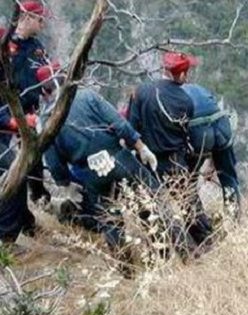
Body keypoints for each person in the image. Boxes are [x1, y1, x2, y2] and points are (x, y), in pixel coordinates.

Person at [37, 64, 195, 260]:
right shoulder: (87, 96)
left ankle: (126, 266)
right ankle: (180, 253)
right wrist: (141, 147)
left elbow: (53, 161)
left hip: (89, 172)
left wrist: (65, 183)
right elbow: (120, 124)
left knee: (110, 220)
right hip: (118, 158)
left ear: (44, 91)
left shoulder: (46, 119)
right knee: (152, 201)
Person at [128, 51, 212, 246]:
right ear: (181, 75)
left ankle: (164, 250)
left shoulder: (140, 92)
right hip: (175, 162)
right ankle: (206, 245)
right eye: (186, 72)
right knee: (189, 205)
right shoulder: (186, 101)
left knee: (149, 210)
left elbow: (131, 129)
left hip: (147, 162)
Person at [0, 1, 53, 203]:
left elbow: (44, 75)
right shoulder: (5, 43)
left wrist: (48, 85)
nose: (43, 24)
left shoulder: (37, 47)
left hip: (30, 110)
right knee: (4, 158)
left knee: (33, 154)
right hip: (5, 110)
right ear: (27, 17)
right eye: (40, 20)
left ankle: (38, 194)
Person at [181, 83, 240, 218]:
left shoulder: (175, 95)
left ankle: (200, 224)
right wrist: (213, 163)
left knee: (188, 182)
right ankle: (234, 220)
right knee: (229, 178)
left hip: (199, 134)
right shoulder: (200, 89)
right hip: (222, 127)